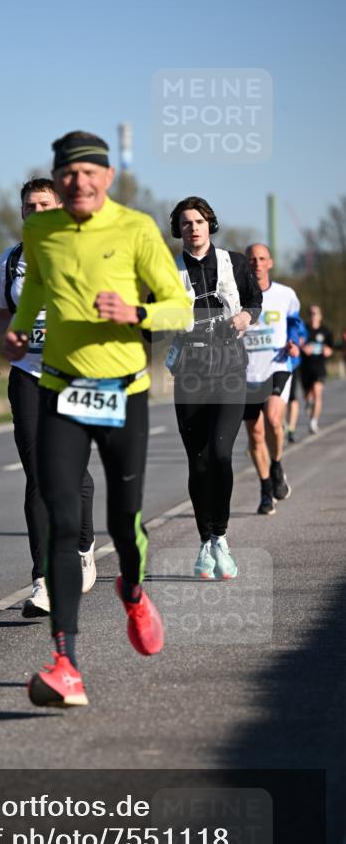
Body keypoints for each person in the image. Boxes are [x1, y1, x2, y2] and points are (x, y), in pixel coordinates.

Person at [5, 131, 192, 708]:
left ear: (106, 178)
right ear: (57, 181)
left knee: (123, 521)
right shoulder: (40, 232)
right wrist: (18, 327)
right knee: (62, 517)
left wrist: (135, 311)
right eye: (69, 174)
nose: (79, 183)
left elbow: (179, 308)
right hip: (59, 386)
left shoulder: (135, 229)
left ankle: (133, 590)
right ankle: (67, 663)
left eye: (90, 173)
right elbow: (36, 285)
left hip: (122, 390)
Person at [0, 178, 96, 617]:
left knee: (73, 474)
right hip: (27, 375)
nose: (37, 212)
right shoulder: (12, 261)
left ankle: (83, 544)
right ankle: (42, 580)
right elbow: (2, 311)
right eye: (30, 207)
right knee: (39, 477)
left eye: (45, 205)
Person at [167, 197, 262, 580]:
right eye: (186, 223)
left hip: (229, 367)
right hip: (189, 369)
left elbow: (255, 301)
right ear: (179, 229)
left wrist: (244, 316)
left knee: (221, 454)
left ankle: (221, 535)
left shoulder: (235, 263)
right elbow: (148, 322)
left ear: (210, 225)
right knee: (199, 459)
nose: (193, 228)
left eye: (199, 221)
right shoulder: (165, 271)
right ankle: (205, 541)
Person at [242, 243, 305, 515]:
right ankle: (266, 489)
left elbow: (296, 326)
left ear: (270, 262)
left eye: (261, 258)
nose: (257, 263)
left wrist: (296, 345)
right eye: (252, 259)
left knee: (273, 419)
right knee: (255, 436)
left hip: (277, 366)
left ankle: (277, 464)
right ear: (246, 264)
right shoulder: (236, 297)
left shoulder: (285, 295)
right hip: (245, 373)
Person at [300, 304, 333, 433]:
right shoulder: (304, 329)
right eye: (311, 313)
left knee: (317, 392)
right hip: (306, 367)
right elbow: (299, 343)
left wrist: (328, 351)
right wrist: (303, 348)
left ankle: (313, 422)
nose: (313, 315)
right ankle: (309, 402)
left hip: (319, 366)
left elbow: (331, 348)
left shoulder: (326, 331)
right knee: (308, 395)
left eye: (316, 313)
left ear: (320, 316)